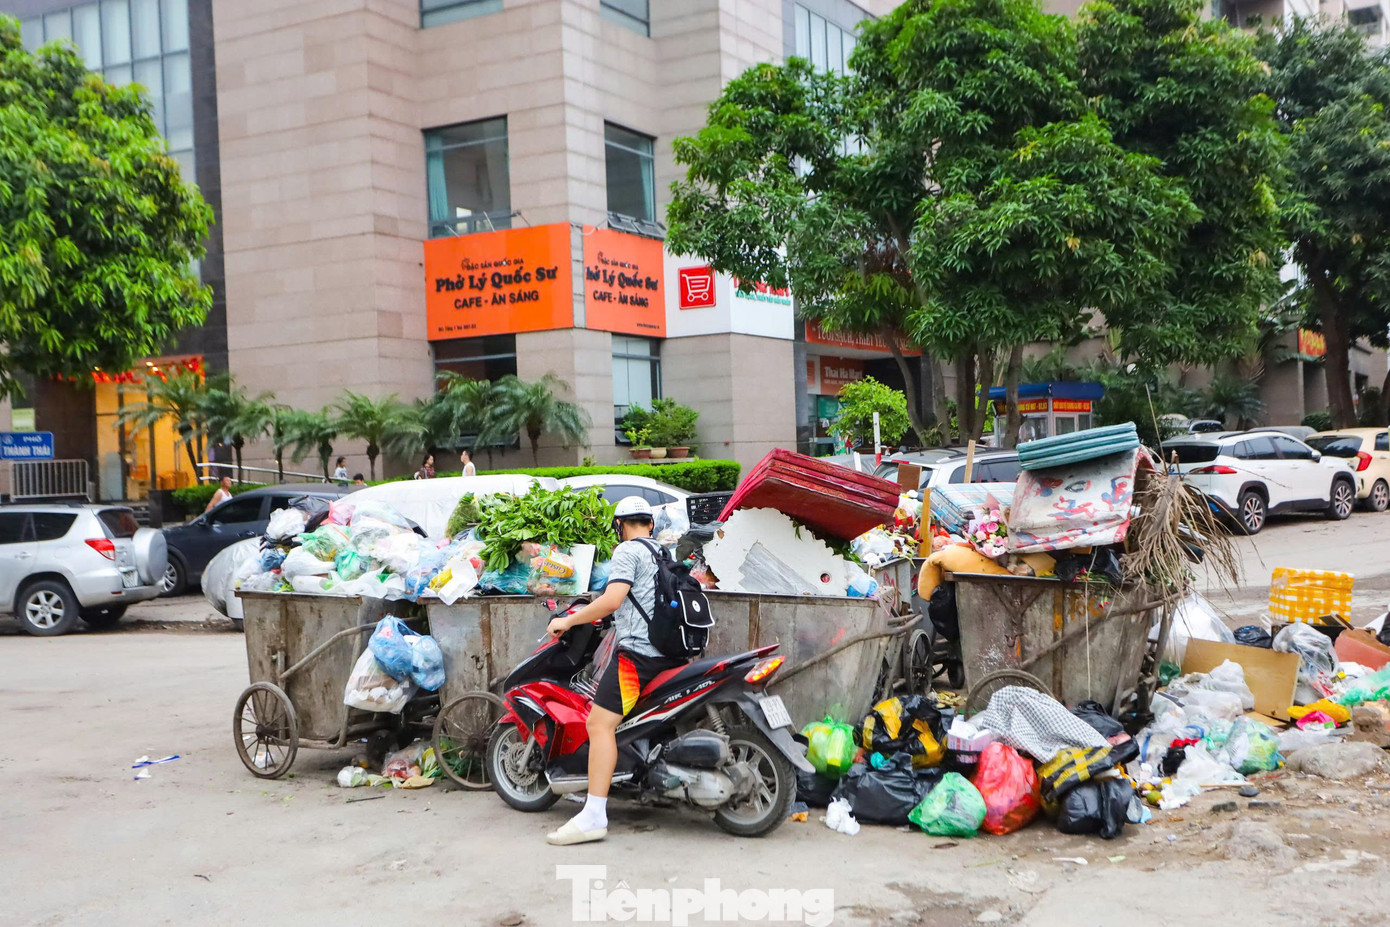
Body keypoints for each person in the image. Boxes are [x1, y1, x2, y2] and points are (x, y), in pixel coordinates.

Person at [541, 496, 680, 846]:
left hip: (639, 657)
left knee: (598, 724)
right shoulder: (663, 552)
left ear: (619, 526)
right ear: (649, 523)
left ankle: (593, 815)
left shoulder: (628, 551)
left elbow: (614, 599)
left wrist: (567, 620)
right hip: (669, 653)